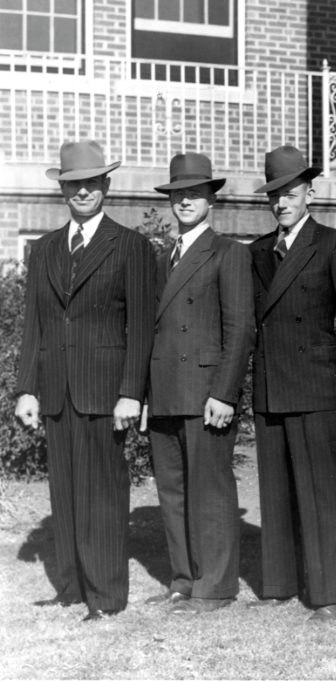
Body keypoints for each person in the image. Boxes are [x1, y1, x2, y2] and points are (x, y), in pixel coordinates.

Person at [15, 140, 155, 621]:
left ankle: (106, 596)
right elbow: (35, 322)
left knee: (102, 494)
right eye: (74, 183)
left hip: (104, 391)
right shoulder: (45, 248)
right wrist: (26, 388)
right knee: (66, 493)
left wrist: (130, 393)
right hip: (55, 389)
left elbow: (140, 328)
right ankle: (73, 588)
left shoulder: (131, 245)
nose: (83, 190)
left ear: (106, 187)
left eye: (92, 182)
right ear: (62, 190)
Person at [247, 146, 336, 622]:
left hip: (319, 385)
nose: (281, 203)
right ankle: (279, 582)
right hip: (272, 383)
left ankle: (330, 592)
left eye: (290, 194)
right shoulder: (257, 252)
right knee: (276, 489)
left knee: (322, 492)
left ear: (309, 194)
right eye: (274, 195)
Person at [144, 153, 254, 615]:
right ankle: (184, 578)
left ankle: (215, 586)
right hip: (166, 391)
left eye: (195, 194)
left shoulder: (229, 252)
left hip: (206, 392)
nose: (185, 201)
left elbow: (240, 328)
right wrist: (147, 394)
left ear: (211, 199)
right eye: (178, 195)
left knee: (209, 488)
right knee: (172, 489)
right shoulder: (161, 255)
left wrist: (224, 393)